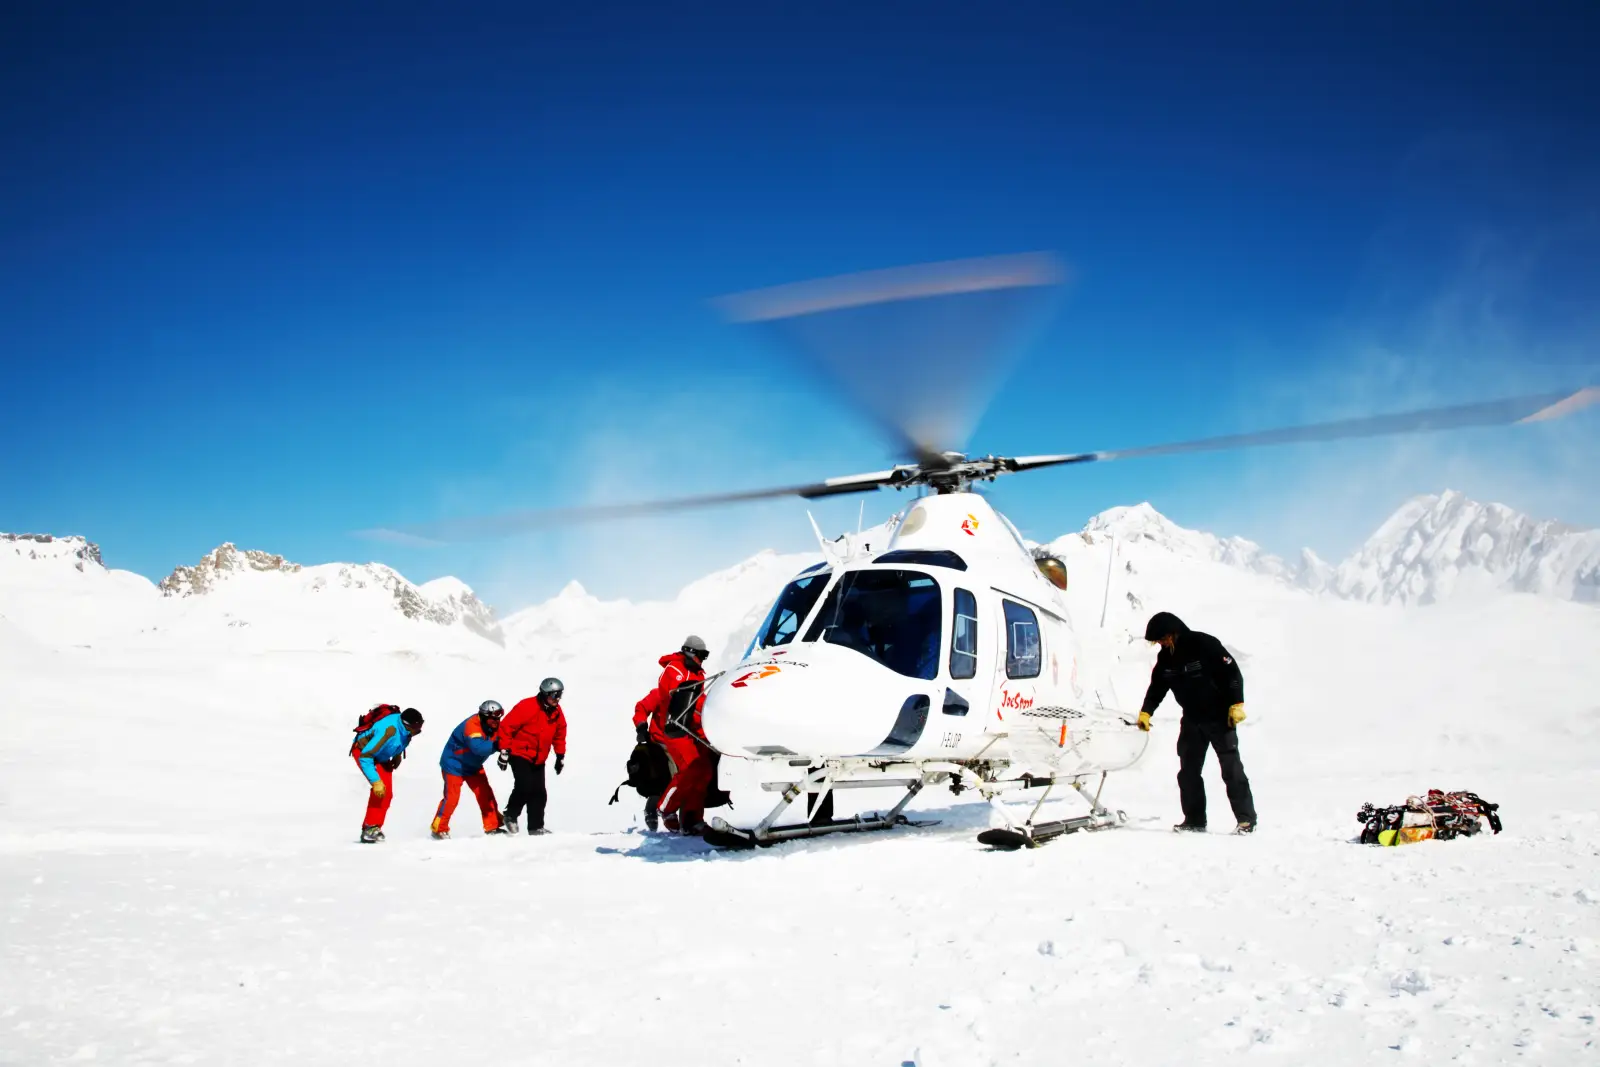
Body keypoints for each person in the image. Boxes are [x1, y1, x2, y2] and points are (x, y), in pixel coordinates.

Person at [1137, 611, 1258, 834]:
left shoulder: (1203, 644)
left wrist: (1236, 703)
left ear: (1173, 633)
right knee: (1188, 771)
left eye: (1163, 638)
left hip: (1220, 716)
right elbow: (1157, 687)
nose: (1161, 643)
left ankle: (1246, 820)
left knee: (1231, 769)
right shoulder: (1165, 658)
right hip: (1192, 718)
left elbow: (1232, 672)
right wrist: (1146, 712)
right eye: (1158, 641)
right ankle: (1194, 820)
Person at [632, 634, 713, 834]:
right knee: (681, 774)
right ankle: (663, 809)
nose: (702, 660)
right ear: (691, 653)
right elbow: (644, 707)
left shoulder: (698, 676)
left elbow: (697, 709)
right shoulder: (672, 674)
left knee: (703, 771)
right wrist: (641, 726)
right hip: (666, 737)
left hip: (689, 734)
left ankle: (692, 820)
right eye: (701, 655)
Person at [497, 677, 567, 835]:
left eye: (559, 695)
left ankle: (536, 827)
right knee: (524, 785)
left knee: (539, 793)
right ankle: (510, 815)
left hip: (539, 757)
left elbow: (560, 732)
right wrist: (504, 751)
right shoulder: (527, 706)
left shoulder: (556, 711)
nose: (557, 699)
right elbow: (506, 727)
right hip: (520, 752)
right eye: (554, 695)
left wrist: (560, 755)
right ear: (544, 694)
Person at [431, 700, 508, 839]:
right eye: (493, 718)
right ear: (484, 716)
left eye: (499, 717)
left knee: (485, 794)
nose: (497, 721)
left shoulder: (494, 726)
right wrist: (498, 745)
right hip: (454, 765)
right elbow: (479, 748)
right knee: (452, 798)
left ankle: (493, 826)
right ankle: (439, 828)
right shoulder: (472, 726)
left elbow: (506, 737)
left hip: (473, 766)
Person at [351, 707, 424, 843]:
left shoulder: (406, 730)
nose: (419, 730)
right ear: (408, 725)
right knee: (379, 790)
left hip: (381, 754)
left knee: (387, 793)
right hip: (364, 752)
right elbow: (366, 756)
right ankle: (369, 828)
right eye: (417, 727)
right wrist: (376, 781)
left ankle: (374, 828)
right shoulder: (389, 731)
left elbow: (400, 740)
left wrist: (396, 755)